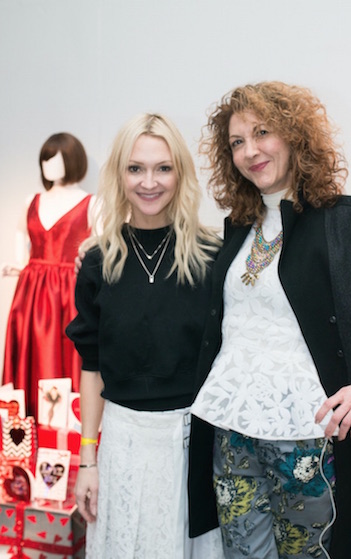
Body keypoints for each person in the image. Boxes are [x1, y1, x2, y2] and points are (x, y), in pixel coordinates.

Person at [188, 82, 351, 559]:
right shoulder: (237, 227)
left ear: (294, 136)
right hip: (232, 432)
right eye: (237, 142)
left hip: (308, 437)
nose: (250, 151)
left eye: (262, 133)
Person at [66, 114, 223, 558]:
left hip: (195, 446)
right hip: (123, 445)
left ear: (180, 174)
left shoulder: (213, 257)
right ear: (119, 174)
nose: (149, 182)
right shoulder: (97, 261)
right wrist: (87, 460)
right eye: (136, 168)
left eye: (163, 168)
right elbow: (92, 367)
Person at [3, 132, 94, 418]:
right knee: (29, 350)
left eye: (55, 159)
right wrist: (21, 264)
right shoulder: (32, 201)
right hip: (31, 290)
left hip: (69, 290)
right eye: (45, 159)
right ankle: (24, 427)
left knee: (69, 350)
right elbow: (21, 234)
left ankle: (68, 429)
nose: (48, 166)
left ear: (73, 160)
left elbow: (100, 246)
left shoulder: (92, 203)